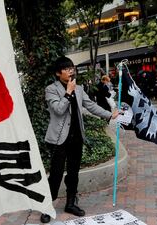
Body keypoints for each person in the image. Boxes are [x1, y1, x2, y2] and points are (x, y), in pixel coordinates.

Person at [40, 56, 119, 223]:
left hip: (76, 137)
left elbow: (91, 105)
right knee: (55, 175)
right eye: (67, 68)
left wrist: (109, 114)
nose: (71, 70)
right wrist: (68, 92)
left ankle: (70, 203)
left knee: (73, 173)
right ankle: (47, 206)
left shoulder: (80, 88)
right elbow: (58, 110)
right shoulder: (51, 89)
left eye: (71, 67)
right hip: (58, 139)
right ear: (57, 73)